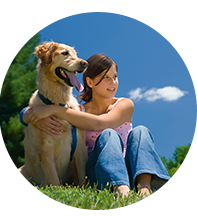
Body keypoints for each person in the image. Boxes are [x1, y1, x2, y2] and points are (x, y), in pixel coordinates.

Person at [20, 54, 170, 198]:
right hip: (99, 173)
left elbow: (99, 123)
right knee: (108, 135)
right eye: (106, 78)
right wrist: (29, 116)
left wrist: (54, 109)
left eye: (115, 76)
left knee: (141, 131)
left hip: (130, 169)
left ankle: (144, 188)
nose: (113, 82)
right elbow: (32, 112)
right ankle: (121, 189)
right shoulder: (78, 110)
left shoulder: (124, 104)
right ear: (90, 82)